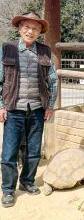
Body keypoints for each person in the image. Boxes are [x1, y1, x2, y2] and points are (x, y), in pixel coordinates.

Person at [0, 12, 58, 207]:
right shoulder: (6, 49)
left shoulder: (44, 51)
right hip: (13, 109)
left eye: (35, 28)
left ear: (40, 31)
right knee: (9, 152)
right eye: (26, 27)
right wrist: (1, 106)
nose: (30, 31)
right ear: (19, 28)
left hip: (37, 109)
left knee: (33, 150)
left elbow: (53, 81)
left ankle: (27, 182)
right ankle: (8, 190)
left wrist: (50, 106)